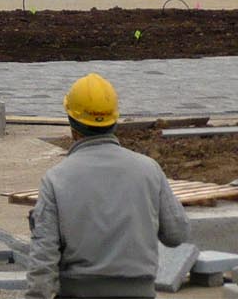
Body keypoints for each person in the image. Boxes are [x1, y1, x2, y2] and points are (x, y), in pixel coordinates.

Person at [23, 73, 189, 298]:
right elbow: (177, 234)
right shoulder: (149, 170)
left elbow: (44, 258)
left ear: (72, 126)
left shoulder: (56, 179)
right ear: (115, 122)